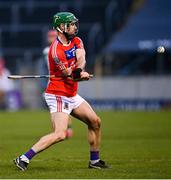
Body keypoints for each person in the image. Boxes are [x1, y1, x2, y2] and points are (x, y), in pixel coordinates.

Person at [13, 12, 108, 171]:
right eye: (70, 24)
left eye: (74, 24)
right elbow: (69, 76)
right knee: (60, 134)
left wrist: (79, 69)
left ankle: (94, 161)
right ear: (61, 27)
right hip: (58, 94)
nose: (74, 27)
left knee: (95, 122)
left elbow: (81, 56)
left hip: (71, 94)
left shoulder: (77, 40)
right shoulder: (55, 51)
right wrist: (79, 76)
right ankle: (23, 158)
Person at [39, 29, 73, 138]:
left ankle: (65, 128)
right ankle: (60, 129)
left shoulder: (58, 49)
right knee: (54, 107)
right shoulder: (47, 50)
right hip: (53, 82)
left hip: (62, 81)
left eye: (52, 36)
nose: (50, 39)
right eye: (49, 37)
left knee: (66, 105)